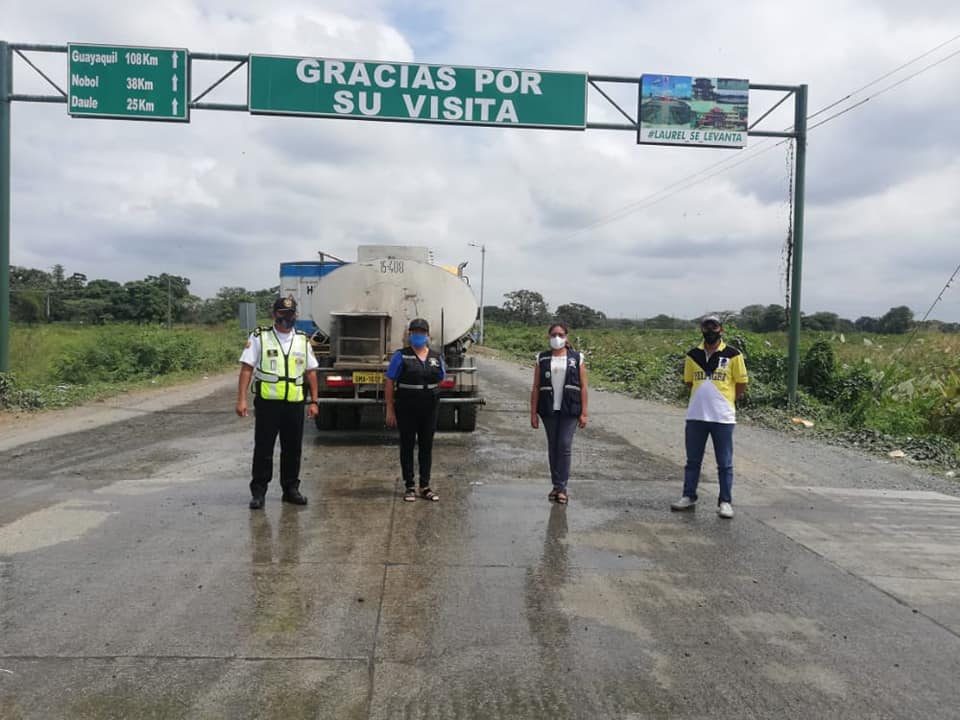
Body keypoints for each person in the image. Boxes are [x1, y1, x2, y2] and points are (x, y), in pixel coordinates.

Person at [236, 295, 319, 509]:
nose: (287, 318)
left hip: (294, 403)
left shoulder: (302, 340)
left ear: (295, 315)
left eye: (290, 314)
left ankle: (291, 489)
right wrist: (242, 399)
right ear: (274, 315)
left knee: (293, 449)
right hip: (268, 404)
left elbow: (310, 372)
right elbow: (246, 369)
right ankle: (259, 492)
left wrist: (314, 401)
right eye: (282, 313)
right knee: (264, 448)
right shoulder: (260, 337)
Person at [671, 315, 748, 519]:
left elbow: (741, 383)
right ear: (702, 330)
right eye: (706, 327)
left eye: (714, 327)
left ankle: (725, 501)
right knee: (692, 460)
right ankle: (688, 496)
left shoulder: (733, 355)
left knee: (724, 462)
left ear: (721, 330)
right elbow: (689, 382)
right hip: (696, 415)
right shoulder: (692, 355)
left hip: (722, 417)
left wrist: (726, 400)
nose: (710, 331)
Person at [384, 318, 446, 502]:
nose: (418, 335)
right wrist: (390, 409)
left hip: (429, 408)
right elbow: (389, 381)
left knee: (426, 446)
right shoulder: (401, 356)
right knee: (407, 445)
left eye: (422, 332)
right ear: (409, 334)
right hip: (407, 407)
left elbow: (442, 378)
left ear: (428, 335)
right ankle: (409, 486)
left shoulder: (436, 357)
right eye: (415, 332)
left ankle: (425, 486)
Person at [530, 322, 588, 505]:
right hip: (548, 409)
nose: (557, 338)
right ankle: (556, 485)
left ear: (566, 337)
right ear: (548, 337)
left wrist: (584, 412)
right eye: (554, 334)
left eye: (561, 335)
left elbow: (583, 386)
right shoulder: (542, 358)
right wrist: (533, 413)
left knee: (564, 446)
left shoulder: (576, 358)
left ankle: (562, 488)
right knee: (553, 447)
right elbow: (536, 387)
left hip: (570, 409)